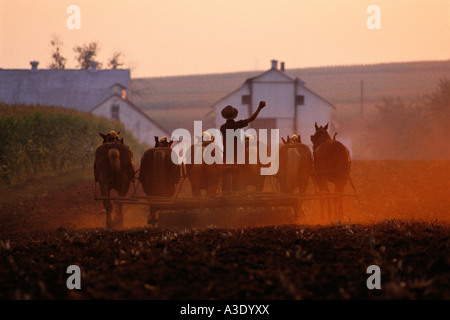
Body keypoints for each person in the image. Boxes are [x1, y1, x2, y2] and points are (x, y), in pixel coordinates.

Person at [219, 100, 266, 193]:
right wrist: (259, 108)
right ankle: (237, 190)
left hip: (226, 155)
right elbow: (252, 118)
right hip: (238, 154)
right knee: (239, 171)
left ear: (225, 116)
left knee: (225, 172)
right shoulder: (237, 124)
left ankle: (225, 192)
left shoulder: (222, 127)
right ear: (234, 115)